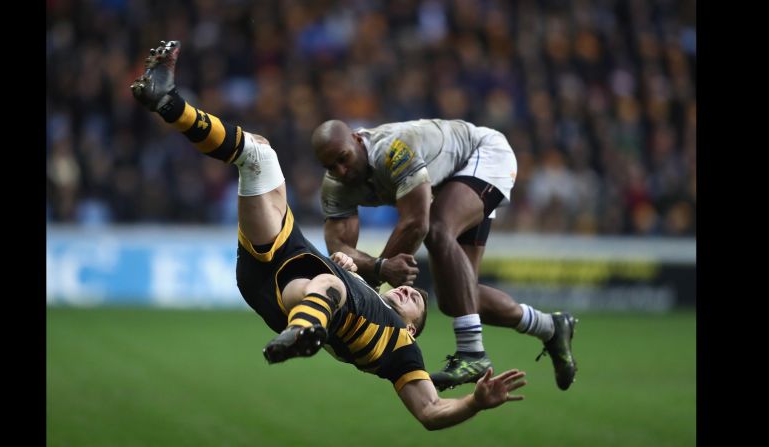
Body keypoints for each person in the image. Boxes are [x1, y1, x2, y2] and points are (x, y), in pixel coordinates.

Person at [130, 40, 528, 430]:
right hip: (282, 258)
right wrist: (358, 265)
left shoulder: (401, 348)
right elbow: (343, 252)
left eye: (416, 306)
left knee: (331, 285)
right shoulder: (360, 282)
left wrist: (474, 402)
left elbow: (430, 412)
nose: (411, 292)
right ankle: (169, 103)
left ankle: (305, 329)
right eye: (413, 292)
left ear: (410, 329)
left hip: (299, 298)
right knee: (258, 156)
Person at [312, 117, 578, 391]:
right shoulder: (335, 184)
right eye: (331, 166)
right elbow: (339, 248)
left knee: (438, 228)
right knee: (457, 300)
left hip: (481, 154)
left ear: (356, 139)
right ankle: (550, 326)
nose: (341, 171)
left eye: (343, 159)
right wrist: (379, 269)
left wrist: (375, 281)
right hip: (446, 183)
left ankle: (472, 353)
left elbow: (417, 223)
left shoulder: (394, 149)